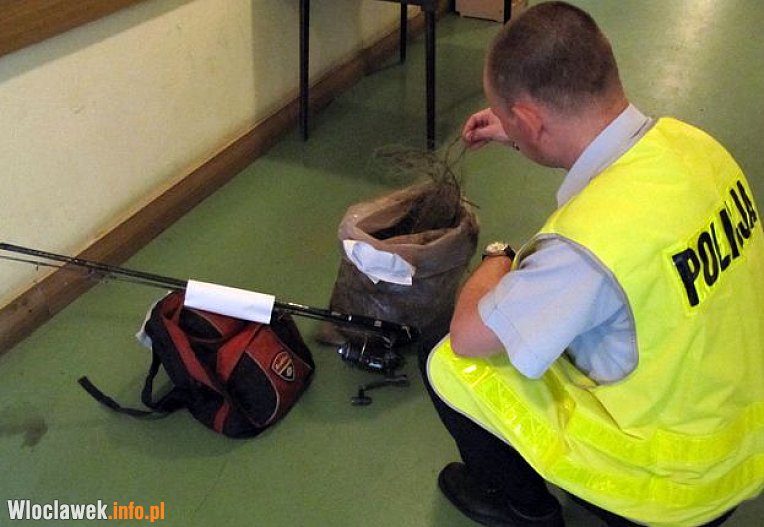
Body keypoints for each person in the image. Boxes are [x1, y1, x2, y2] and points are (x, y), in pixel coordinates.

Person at [419, 2, 764, 527]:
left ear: (532, 120)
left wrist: (497, 257)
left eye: (510, 117)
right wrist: (520, 131)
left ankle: (525, 509)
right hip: (743, 442)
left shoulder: (585, 250)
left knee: (445, 358)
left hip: (676, 490)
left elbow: (468, 336)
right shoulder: (695, 146)